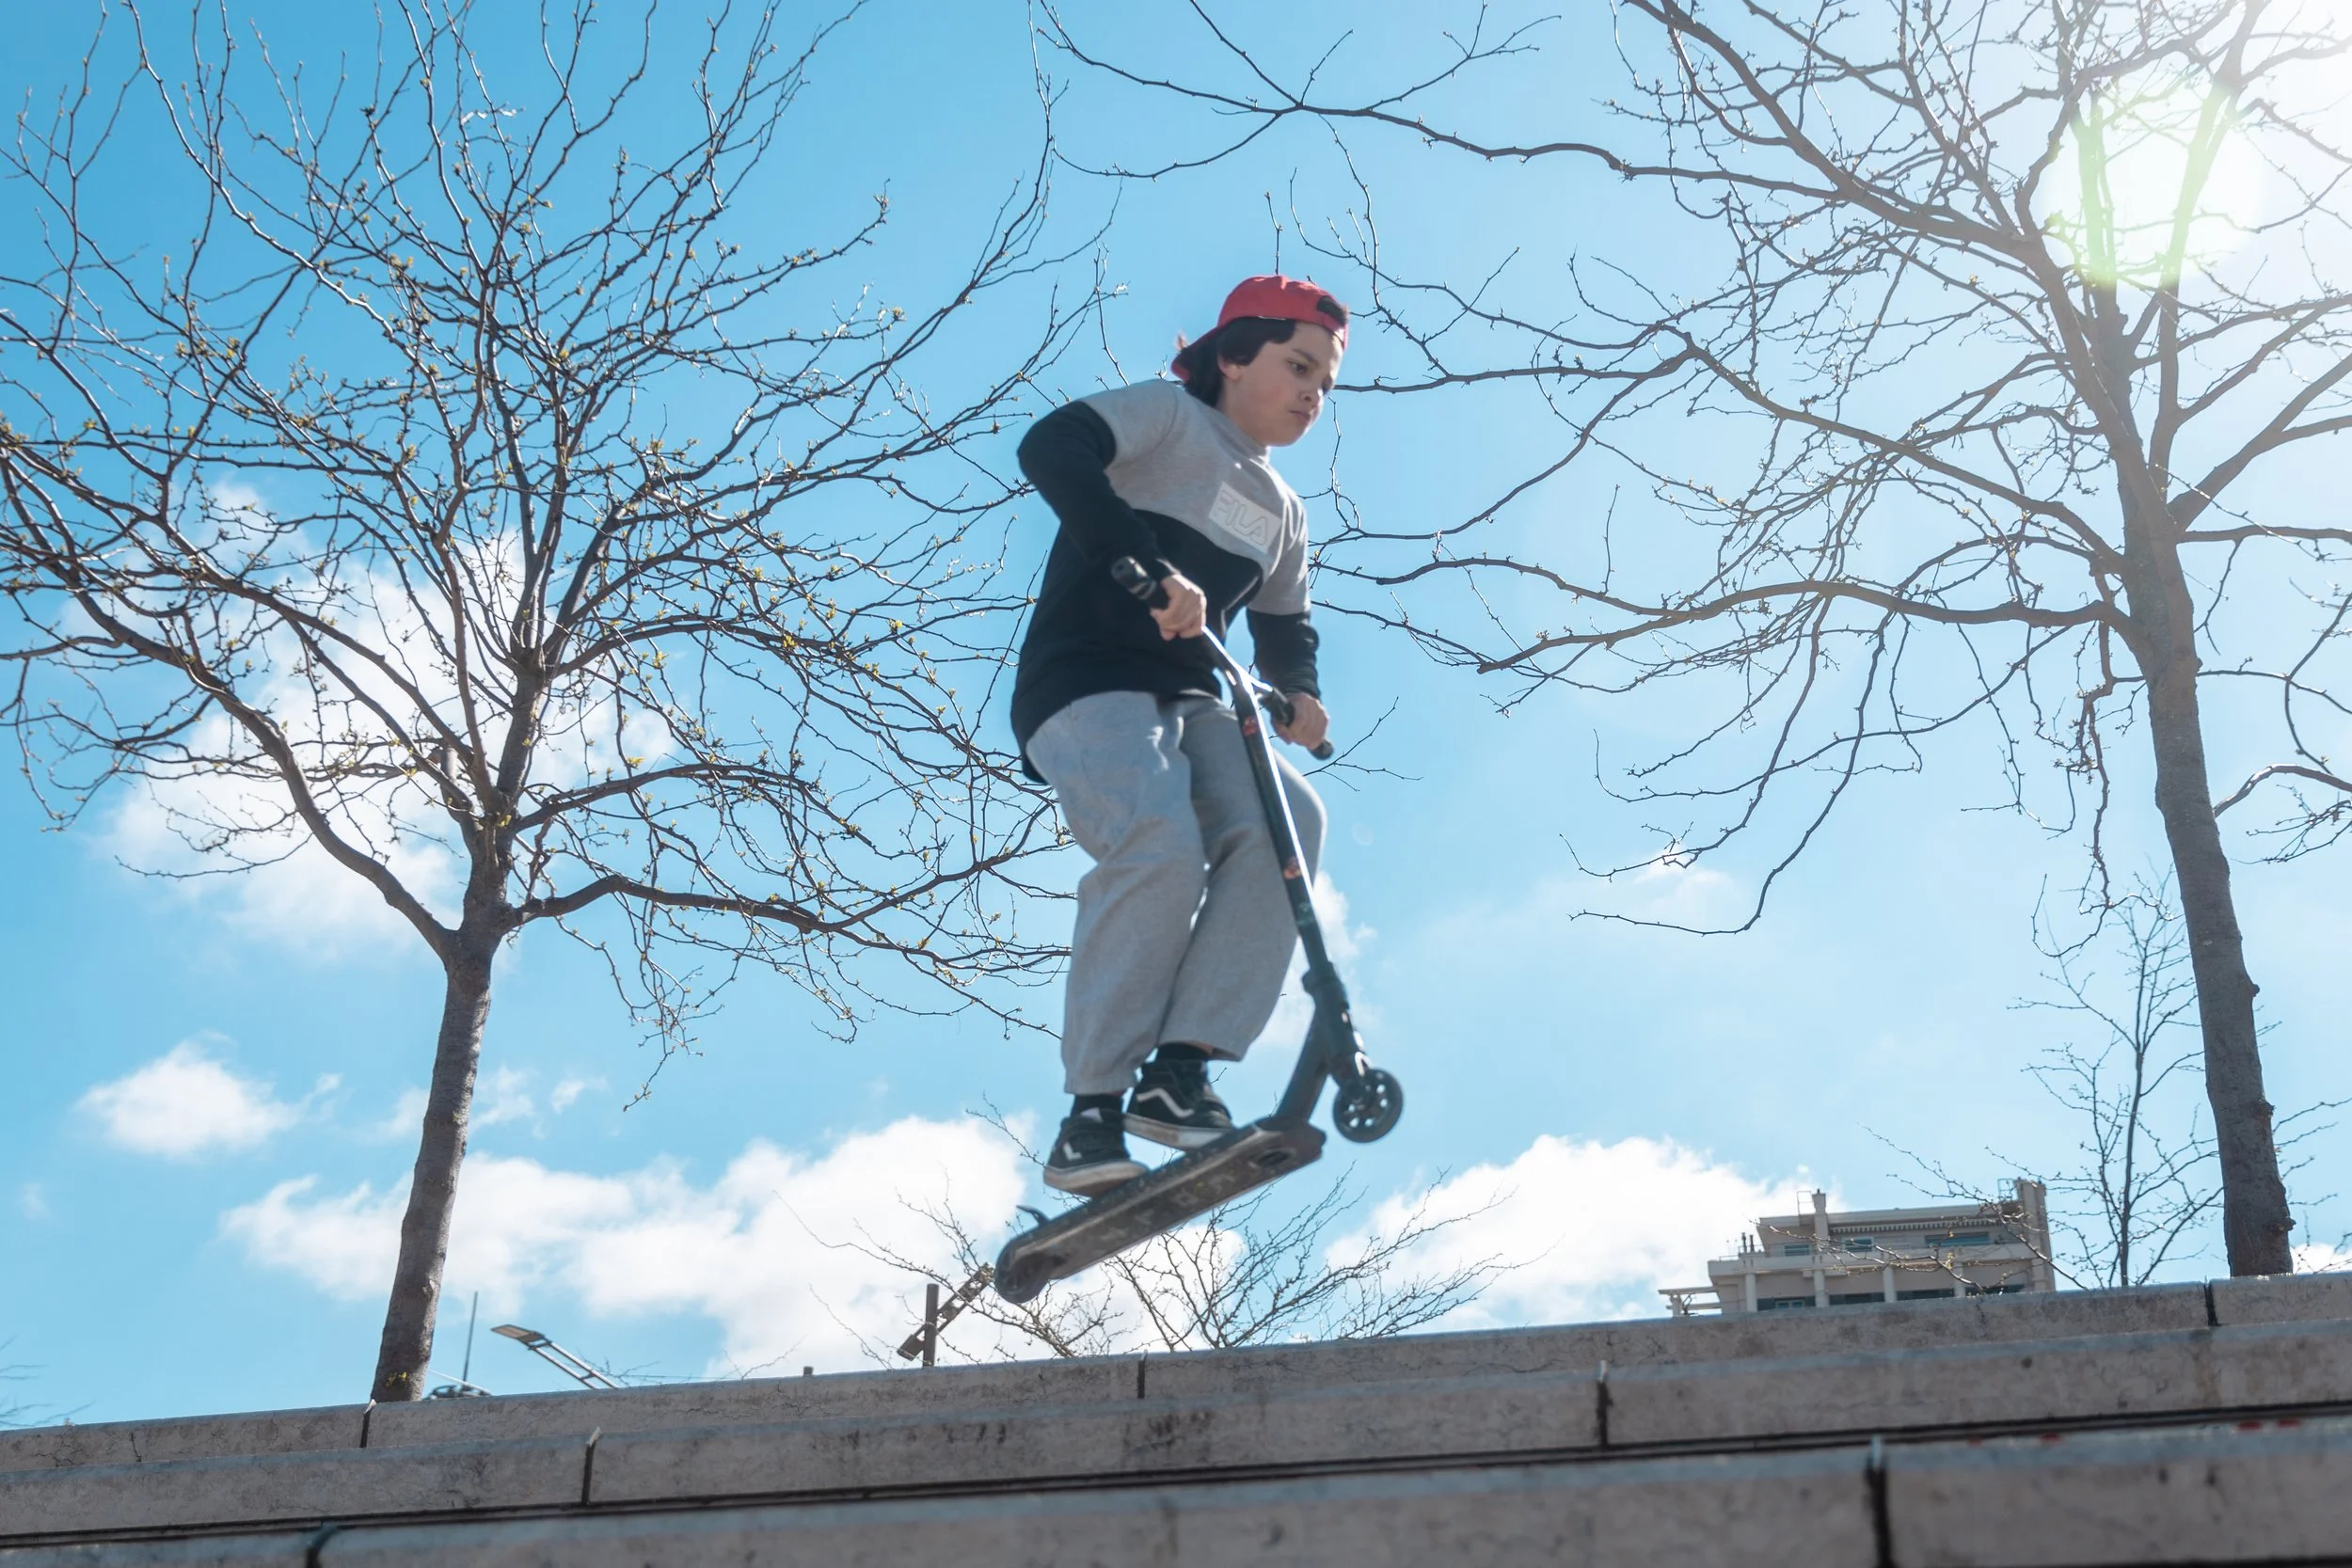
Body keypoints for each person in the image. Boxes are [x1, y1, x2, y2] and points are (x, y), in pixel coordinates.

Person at [1011, 275, 1346, 1196]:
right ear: (1233, 356)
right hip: (1087, 678)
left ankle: (1180, 1069)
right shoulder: (1167, 418)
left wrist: (1301, 693)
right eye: (1298, 367)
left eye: (1325, 382)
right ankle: (1091, 1111)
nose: (1313, 393)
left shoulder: (1282, 511)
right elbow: (1051, 445)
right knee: (1159, 842)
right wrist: (1143, 566)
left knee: (1292, 821)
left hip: (1190, 696)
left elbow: (1286, 628)